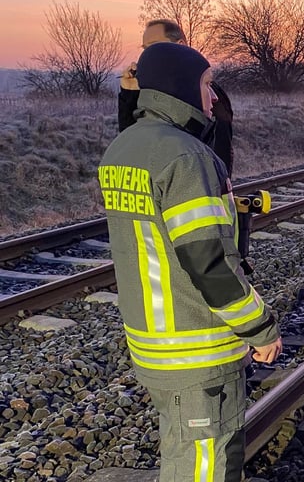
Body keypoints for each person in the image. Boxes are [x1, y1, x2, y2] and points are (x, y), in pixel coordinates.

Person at [98, 42, 282, 482]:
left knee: (182, 455)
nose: (214, 96)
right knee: (205, 468)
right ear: (179, 87)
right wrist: (260, 327)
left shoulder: (122, 149)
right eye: (205, 83)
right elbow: (209, 262)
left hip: (152, 343)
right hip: (196, 350)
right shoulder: (186, 157)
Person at [119, 19, 235, 177]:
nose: (147, 54)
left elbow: (219, 160)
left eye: (154, 45)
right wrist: (129, 94)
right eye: (145, 48)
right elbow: (132, 144)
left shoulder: (210, 96)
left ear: (180, 45)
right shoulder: (150, 92)